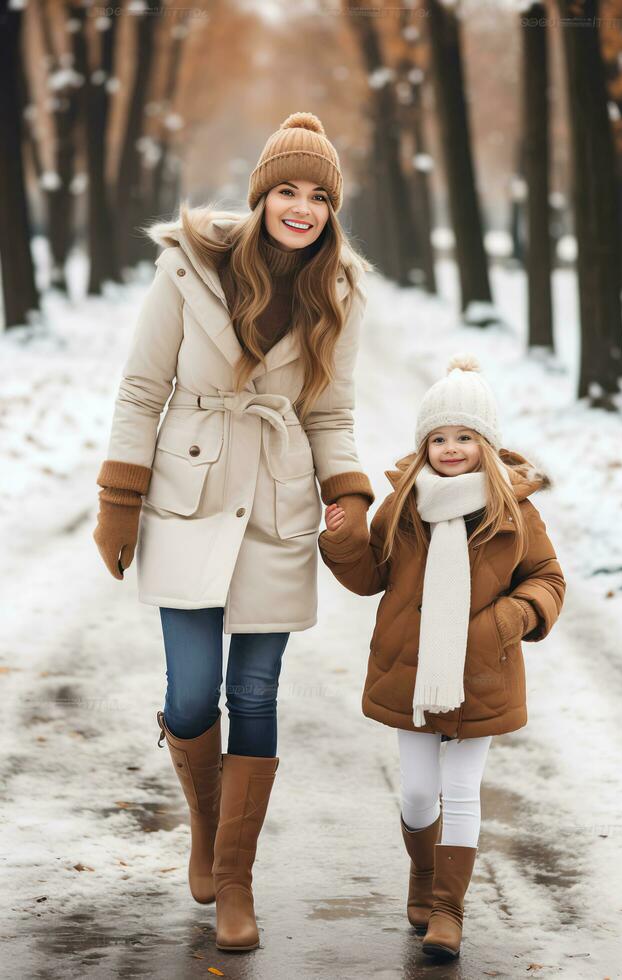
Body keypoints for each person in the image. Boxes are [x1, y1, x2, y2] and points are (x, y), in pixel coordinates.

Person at [92, 111, 375, 952]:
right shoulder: (186, 271)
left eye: (318, 195)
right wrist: (119, 495)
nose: (302, 207)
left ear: (332, 208)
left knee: (254, 694)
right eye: (286, 190)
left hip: (279, 505)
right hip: (190, 496)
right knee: (190, 691)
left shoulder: (342, 290)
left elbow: (332, 413)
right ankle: (205, 830)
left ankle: (235, 881)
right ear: (260, 197)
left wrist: (349, 495)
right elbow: (143, 389)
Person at [319, 355, 565, 962]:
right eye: (438, 438)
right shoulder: (403, 507)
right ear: (424, 443)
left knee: (461, 790)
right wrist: (343, 540)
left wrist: (511, 618)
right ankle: (424, 879)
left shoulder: (515, 512)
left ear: (485, 443)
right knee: (419, 792)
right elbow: (371, 575)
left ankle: (449, 911)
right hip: (412, 675)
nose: (450, 449)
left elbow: (547, 578)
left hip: (482, 674)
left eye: (463, 437)